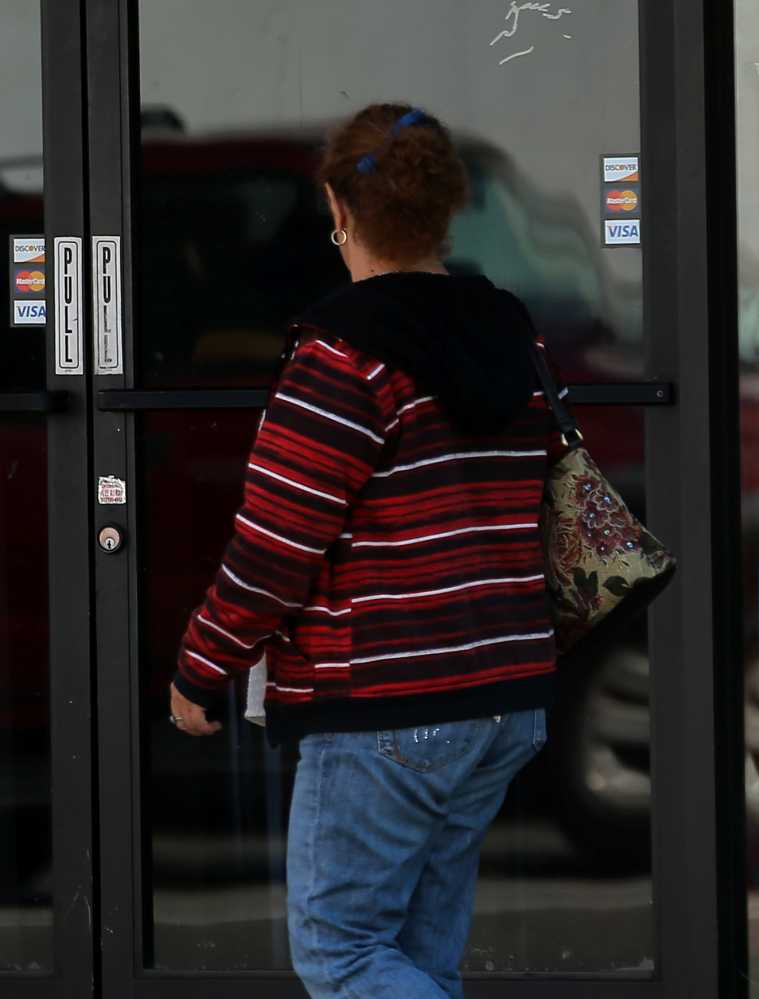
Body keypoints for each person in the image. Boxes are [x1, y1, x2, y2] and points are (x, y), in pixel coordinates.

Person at [168, 103, 560, 999]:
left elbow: (275, 545)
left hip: (386, 703)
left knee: (342, 955)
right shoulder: (508, 328)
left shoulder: (343, 353)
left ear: (338, 210)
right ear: (446, 212)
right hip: (500, 694)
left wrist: (200, 668)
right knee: (417, 963)